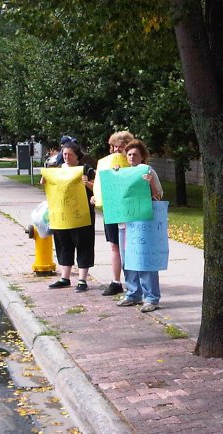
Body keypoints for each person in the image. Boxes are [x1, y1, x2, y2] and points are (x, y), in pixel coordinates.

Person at [41, 141, 96, 292]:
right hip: (62, 216)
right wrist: (44, 182)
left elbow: (98, 187)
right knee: (64, 245)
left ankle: (82, 280)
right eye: (64, 154)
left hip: (82, 216)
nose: (66, 157)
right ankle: (65, 278)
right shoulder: (58, 170)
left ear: (77, 155)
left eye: (69, 154)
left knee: (83, 245)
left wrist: (88, 184)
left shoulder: (85, 170)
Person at [117, 139, 163, 312]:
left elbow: (158, 196)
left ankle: (151, 297)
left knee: (144, 259)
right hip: (125, 223)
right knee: (127, 260)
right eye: (129, 154)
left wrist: (150, 182)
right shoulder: (122, 173)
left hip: (143, 224)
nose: (131, 157)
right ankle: (133, 293)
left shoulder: (148, 171)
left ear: (142, 156)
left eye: (135, 154)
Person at [99, 130, 134, 296]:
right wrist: (96, 197)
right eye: (114, 147)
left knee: (130, 246)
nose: (116, 151)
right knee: (114, 245)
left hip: (130, 210)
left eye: (120, 147)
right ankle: (116, 281)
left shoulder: (135, 165)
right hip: (112, 209)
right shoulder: (106, 164)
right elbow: (101, 186)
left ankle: (133, 281)